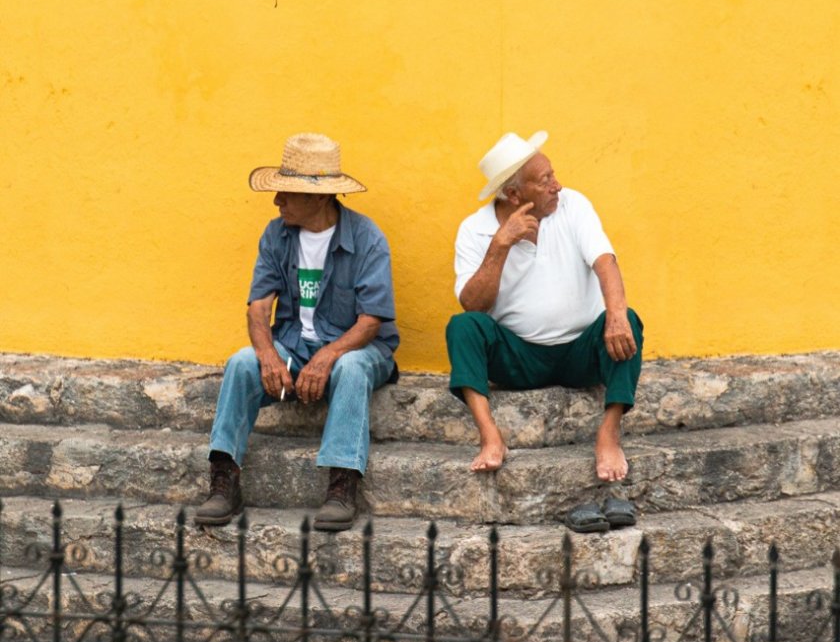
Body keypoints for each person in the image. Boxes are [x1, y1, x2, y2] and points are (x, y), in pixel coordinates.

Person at [196, 132, 399, 532]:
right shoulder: (276, 234)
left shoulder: (366, 237)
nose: (277, 201)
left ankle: (342, 485)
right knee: (241, 362)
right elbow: (258, 307)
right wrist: (269, 356)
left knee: (352, 368)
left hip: (359, 347)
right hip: (293, 344)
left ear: (320, 197)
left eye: (286, 193)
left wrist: (326, 356)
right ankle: (224, 479)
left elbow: (371, 321)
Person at [446, 131, 643, 533]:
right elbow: (473, 304)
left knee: (631, 321)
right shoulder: (474, 229)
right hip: (519, 357)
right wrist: (499, 246)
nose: (558, 185)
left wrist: (616, 314)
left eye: (554, 174)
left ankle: (608, 433)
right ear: (515, 195)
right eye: (546, 180)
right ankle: (490, 436)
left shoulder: (573, 206)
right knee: (463, 327)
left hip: (580, 351)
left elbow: (605, 262)